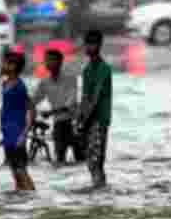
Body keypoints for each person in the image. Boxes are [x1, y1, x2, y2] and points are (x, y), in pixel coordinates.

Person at [28, 47, 81, 163]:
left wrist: (52, 112)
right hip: (59, 124)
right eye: (46, 60)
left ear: (60, 62)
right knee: (59, 161)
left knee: (81, 160)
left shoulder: (70, 78)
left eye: (51, 60)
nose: (48, 63)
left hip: (75, 123)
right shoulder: (44, 82)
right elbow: (35, 99)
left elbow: (71, 101)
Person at [76, 29, 113, 190]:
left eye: (92, 44)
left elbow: (95, 98)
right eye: (87, 44)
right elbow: (84, 97)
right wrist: (79, 118)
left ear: (99, 45)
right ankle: (99, 188)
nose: (89, 47)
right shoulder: (87, 69)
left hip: (99, 119)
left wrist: (85, 121)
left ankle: (100, 189)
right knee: (90, 160)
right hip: (88, 120)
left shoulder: (103, 69)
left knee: (96, 160)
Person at [0, 48, 35, 191]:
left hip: (17, 132)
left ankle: (32, 197)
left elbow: (31, 110)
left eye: (5, 63)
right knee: (14, 170)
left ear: (13, 66)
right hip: (7, 132)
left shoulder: (20, 86)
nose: (2, 66)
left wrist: (24, 134)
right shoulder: (5, 84)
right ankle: (20, 199)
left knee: (21, 169)